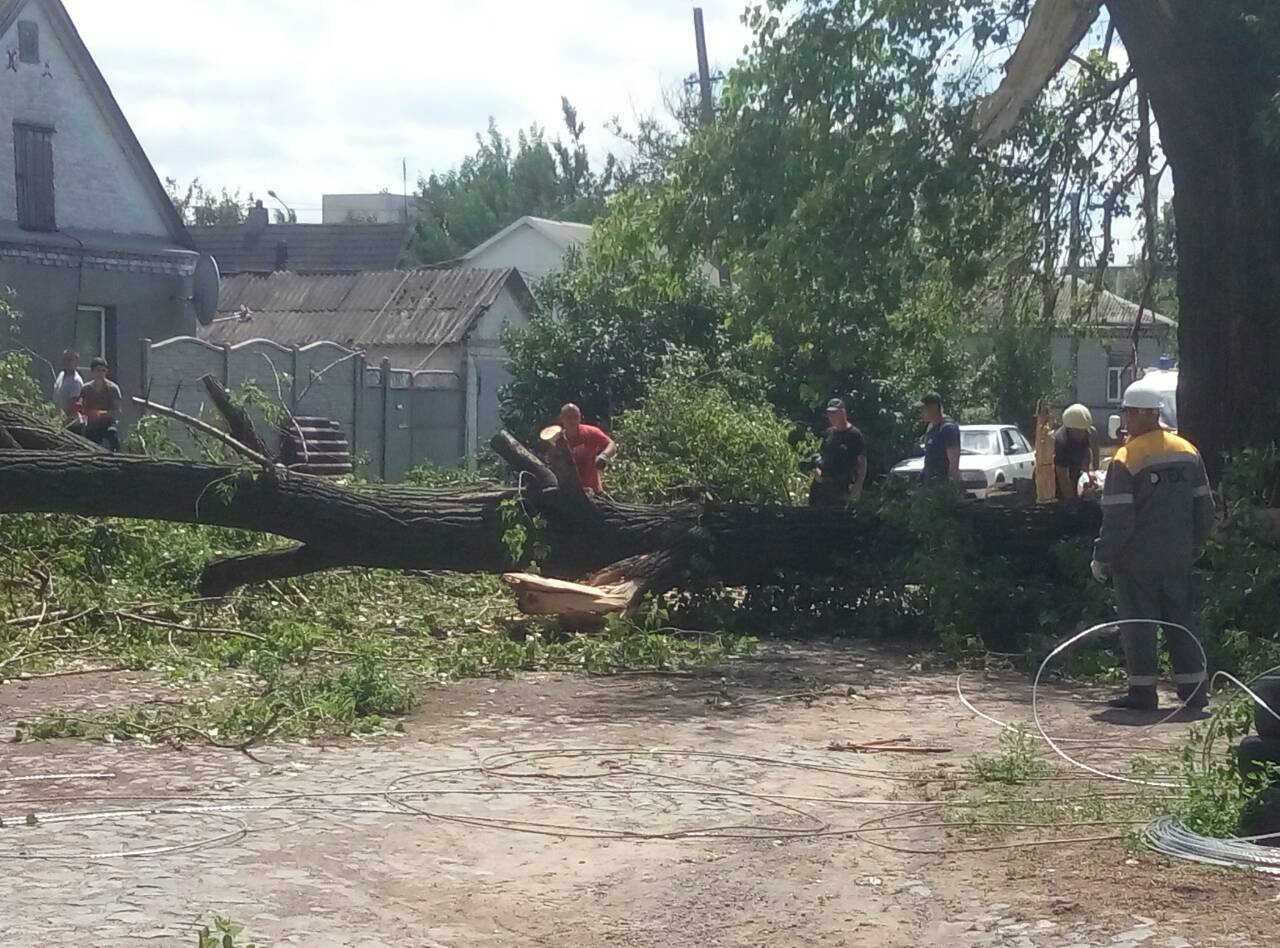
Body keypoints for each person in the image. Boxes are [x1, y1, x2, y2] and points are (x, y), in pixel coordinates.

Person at [1091, 385, 1215, 711]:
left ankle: (1143, 693)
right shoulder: (1188, 450)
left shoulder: (1126, 457)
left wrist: (1103, 556)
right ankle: (1194, 690)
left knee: (1138, 626)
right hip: (1178, 556)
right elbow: (1204, 507)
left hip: (1136, 561)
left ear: (1133, 414)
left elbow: (1119, 518)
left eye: (1126, 413)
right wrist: (1197, 543)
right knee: (1181, 622)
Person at [807, 398, 867, 507]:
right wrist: (817, 471)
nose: (831, 417)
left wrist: (858, 487)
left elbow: (862, 464)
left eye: (834, 413)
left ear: (843, 412)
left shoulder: (855, 435)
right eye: (829, 414)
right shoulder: (829, 433)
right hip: (822, 489)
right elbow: (821, 456)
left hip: (842, 489)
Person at [558, 403, 615, 494]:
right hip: (569, 494)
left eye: (575, 417)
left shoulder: (591, 433)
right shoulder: (558, 440)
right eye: (568, 417)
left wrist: (604, 456)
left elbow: (611, 444)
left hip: (594, 491)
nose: (572, 421)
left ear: (580, 418)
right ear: (562, 419)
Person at [1053, 403, 1098, 501]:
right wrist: (1073, 501)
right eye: (1079, 431)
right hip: (1057, 488)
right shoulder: (1060, 442)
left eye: (1084, 430)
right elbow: (1062, 476)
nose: (1082, 434)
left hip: (1075, 476)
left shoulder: (1085, 433)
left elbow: (1087, 451)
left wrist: (1089, 472)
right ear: (1070, 428)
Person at [918, 392, 961, 484]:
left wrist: (953, 485)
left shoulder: (947, 428)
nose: (920, 413)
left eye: (923, 409)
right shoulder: (931, 426)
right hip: (929, 482)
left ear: (933, 409)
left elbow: (954, 461)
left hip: (941, 484)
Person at [80, 357, 122, 452]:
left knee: (113, 435)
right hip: (91, 425)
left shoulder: (113, 389)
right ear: (92, 372)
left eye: (103, 371)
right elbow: (82, 408)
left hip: (108, 423)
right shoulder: (86, 389)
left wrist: (101, 414)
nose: (100, 374)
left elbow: (117, 411)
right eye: (98, 371)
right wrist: (89, 413)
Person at [52, 348, 84, 430]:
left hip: (72, 424)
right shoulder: (61, 375)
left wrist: (61, 419)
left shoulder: (76, 381)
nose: (66, 362)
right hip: (59, 421)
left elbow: (73, 405)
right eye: (65, 359)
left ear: (76, 362)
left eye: (70, 360)